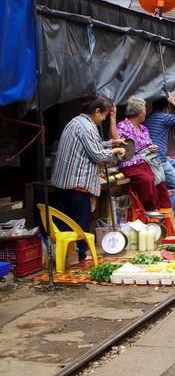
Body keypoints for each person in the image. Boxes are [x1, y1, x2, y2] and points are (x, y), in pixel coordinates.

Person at [51, 96, 126, 260]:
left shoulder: (76, 122)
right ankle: (81, 255)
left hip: (63, 182)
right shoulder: (88, 127)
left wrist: (112, 142)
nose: (105, 119)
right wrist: (115, 151)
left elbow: (93, 144)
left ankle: (67, 256)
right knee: (81, 223)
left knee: (66, 222)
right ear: (97, 111)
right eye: (105, 115)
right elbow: (98, 156)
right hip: (77, 183)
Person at [114, 96, 171, 211]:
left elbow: (147, 145)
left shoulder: (144, 128)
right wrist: (112, 118)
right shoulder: (123, 126)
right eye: (144, 110)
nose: (146, 113)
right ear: (139, 113)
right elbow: (117, 142)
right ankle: (150, 211)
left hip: (148, 163)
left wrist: (152, 147)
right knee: (147, 180)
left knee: (161, 186)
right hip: (131, 165)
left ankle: (165, 215)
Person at [145, 93, 175, 212]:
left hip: (155, 158)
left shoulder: (149, 117)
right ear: (166, 109)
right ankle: (168, 213)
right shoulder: (163, 117)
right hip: (159, 160)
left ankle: (166, 189)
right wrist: (174, 102)